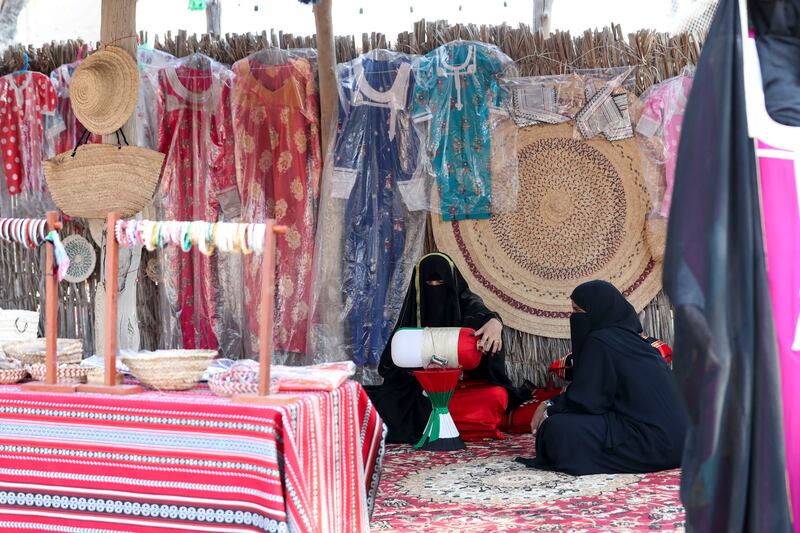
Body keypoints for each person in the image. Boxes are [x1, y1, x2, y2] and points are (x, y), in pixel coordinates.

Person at [522, 280, 687, 475]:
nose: (573, 318)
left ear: (597, 311)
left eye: (577, 311)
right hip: (681, 445)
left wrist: (550, 408)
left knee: (556, 429)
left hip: (651, 443)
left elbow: (589, 401)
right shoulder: (636, 342)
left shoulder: (600, 341)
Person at [367, 252, 529, 443]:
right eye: (429, 284)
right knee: (389, 403)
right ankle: (443, 420)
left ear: (452, 282)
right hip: (421, 390)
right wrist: (421, 371)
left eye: (440, 283)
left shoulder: (468, 308)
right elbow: (391, 368)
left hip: (460, 387)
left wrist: (495, 323)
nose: (435, 289)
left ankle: (438, 420)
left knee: (496, 396)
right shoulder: (412, 315)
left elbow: (485, 318)